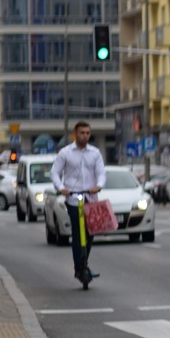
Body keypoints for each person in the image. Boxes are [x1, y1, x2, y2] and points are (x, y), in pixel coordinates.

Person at [50, 122, 106, 284]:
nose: (85, 136)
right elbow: (55, 172)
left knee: (90, 233)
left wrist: (99, 186)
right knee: (77, 232)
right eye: (82, 133)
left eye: (88, 133)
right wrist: (61, 188)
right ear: (75, 133)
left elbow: (101, 173)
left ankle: (84, 263)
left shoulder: (95, 153)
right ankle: (78, 268)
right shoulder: (65, 153)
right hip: (73, 198)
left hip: (90, 197)